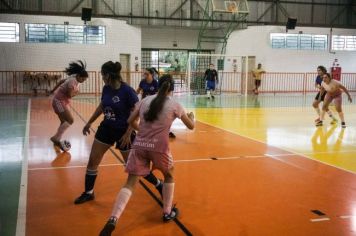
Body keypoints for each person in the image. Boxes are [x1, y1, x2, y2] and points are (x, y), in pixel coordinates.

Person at [99, 74, 195, 236]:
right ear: (172, 89)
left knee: (130, 182)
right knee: (169, 175)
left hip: (140, 146)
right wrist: (191, 117)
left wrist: (142, 130)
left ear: (158, 86)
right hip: (159, 148)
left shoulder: (145, 101)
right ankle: (167, 212)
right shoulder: (175, 105)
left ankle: (113, 218)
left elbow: (130, 120)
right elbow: (191, 127)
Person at [74, 61, 162, 204]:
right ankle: (88, 192)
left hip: (123, 132)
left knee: (134, 167)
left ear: (108, 75)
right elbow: (102, 106)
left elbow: (136, 112)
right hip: (106, 129)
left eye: (103, 75)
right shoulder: (106, 88)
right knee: (92, 161)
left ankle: (159, 184)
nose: (102, 77)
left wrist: (128, 133)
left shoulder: (127, 91)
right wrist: (89, 122)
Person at [50, 60, 88, 151]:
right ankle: (56, 138)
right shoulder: (72, 82)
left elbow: (61, 82)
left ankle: (57, 139)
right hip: (59, 101)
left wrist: (53, 90)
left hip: (60, 101)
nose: (83, 81)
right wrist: (77, 93)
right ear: (79, 76)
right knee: (70, 120)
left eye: (85, 80)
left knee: (64, 122)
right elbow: (70, 95)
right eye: (83, 79)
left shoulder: (73, 78)